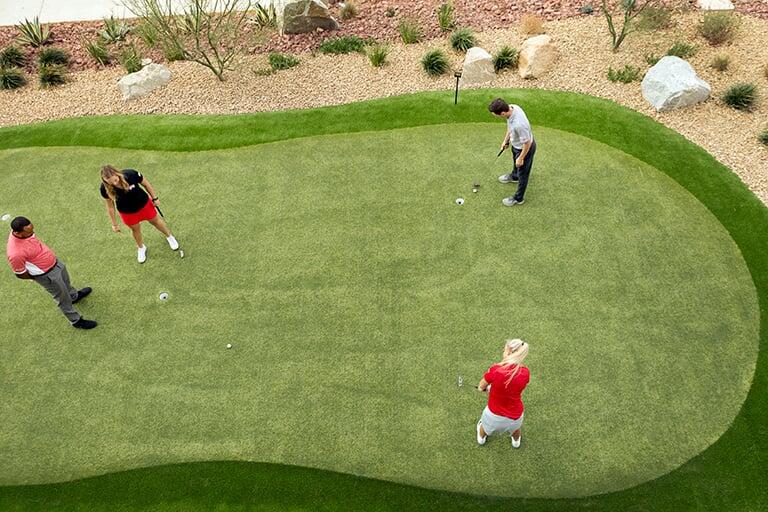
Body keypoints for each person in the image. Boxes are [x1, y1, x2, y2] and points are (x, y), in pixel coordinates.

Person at [6, 216, 97, 329]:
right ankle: (76, 320)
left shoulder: (22, 231)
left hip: (56, 263)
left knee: (66, 283)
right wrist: (39, 278)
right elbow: (20, 273)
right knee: (62, 298)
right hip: (46, 275)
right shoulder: (15, 253)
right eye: (29, 232)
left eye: (32, 229)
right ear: (19, 233)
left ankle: (74, 296)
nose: (33, 233)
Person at [100, 165, 179, 263]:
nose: (115, 184)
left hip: (144, 205)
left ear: (117, 174)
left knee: (156, 222)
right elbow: (110, 207)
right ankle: (141, 248)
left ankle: (169, 236)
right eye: (111, 183)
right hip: (127, 212)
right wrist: (114, 224)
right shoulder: (104, 189)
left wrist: (155, 198)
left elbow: (146, 184)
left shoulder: (130, 174)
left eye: (115, 180)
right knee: (135, 230)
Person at [476, 339, 530, 448]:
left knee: (484, 427)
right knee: (515, 429)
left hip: (493, 414)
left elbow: (481, 387)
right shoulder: (525, 372)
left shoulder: (496, 370)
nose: (503, 351)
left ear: (509, 352)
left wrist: (489, 388)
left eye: (505, 350)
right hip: (515, 415)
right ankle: (516, 442)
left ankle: (481, 439)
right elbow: (514, 388)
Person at [488, 98, 537, 207]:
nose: (495, 117)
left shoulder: (520, 124)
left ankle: (518, 198)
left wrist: (521, 158)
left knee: (523, 174)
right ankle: (515, 176)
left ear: (502, 113)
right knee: (515, 164)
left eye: (495, 115)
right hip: (516, 145)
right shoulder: (512, 108)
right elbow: (510, 127)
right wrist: (505, 140)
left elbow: (527, 143)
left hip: (525, 149)